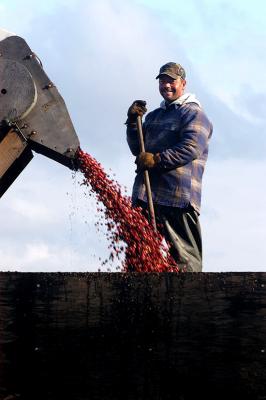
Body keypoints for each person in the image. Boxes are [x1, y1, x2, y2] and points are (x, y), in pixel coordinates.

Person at [125, 62, 213, 272]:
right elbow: (138, 148)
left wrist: (156, 160)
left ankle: (187, 301)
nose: (166, 85)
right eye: (163, 81)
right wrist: (131, 122)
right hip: (146, 196)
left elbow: (191, 148)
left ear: (183, 83)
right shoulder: (154, 116)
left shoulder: (194, 114)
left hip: (177, 197)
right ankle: (140, 300)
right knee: (139, 258)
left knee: (184, 261)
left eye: (171, 81)